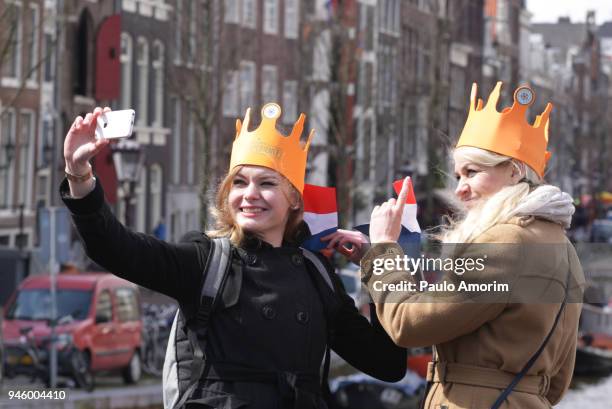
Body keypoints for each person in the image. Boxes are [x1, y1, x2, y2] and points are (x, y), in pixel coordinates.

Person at [61, 103, 406, 408]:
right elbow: (115, 248)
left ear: (295, 199)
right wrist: (80, 175)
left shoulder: (318, 276)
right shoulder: (206, 261)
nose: (250, 195)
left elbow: (387, 364)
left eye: (267, 184)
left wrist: (378, 263)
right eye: (239, 183)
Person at [331, 83, 585, 408]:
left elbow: (409, 324)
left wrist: (383, 248)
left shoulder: (504, 241)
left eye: (472, 173)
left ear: (513, 172)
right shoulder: (564, 249)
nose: (460, 190)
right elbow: (558, 379)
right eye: (458, 177)